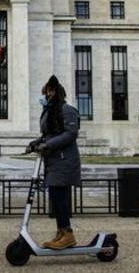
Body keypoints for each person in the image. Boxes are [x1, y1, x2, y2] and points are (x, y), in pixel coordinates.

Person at [27, 75, 81, 250]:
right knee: (56, 197)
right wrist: (35, 143)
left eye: (46, 93)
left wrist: (48, 145)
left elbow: (70, 133)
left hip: (64, 161)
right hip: (54, 161)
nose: (44, 96)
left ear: (53, 92)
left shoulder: (67, 110)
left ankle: (68, 234)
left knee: (60, 197)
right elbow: (48, 134)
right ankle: (61, 232)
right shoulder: (50, 111)